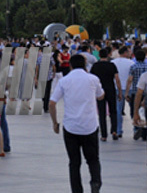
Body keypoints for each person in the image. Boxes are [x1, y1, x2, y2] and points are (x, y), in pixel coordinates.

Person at [49, 54, 104, 193]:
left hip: (71, 127)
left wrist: (55, 122)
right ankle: (95, 182)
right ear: (85, 65)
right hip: (90, 126)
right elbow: (100, 95)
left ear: (71, 65)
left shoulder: (64, 81)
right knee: (93, 159)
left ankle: (77, 190)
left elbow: (52, 102)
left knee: (74, 163)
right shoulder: (93, 79)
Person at [90, 48, 121, 141]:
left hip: (100, 91)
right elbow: (117, 79)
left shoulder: (95, 66)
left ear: (99, 55)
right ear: (108, 55)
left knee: (102, 112)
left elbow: (91, 79)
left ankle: (104, 135)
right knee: (113, 111)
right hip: (111, 90)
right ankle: (114, 131)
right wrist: (119, 92)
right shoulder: (112, 65)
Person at [111, 46, 134, 137]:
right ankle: (136, 128)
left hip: (117, 88)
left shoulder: (113, 62)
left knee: (118, 110)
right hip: (129, 88)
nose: (130, 53)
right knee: (133, 109)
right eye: (128, 52)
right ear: (125, 53)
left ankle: (118, 130)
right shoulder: (131, 63)